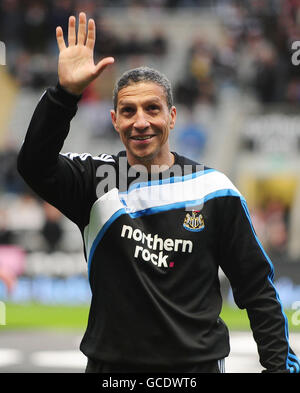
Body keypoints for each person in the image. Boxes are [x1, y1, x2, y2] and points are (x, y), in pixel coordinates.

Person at [17, 12, 300, 374]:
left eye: (153, 109)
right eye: (128, 111)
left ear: (172, 116)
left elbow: (258, 290)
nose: (141, 121)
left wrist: (278, 368)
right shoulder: (94, 179)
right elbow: (33, 165)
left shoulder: (215, 190)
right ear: (114, 119)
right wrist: (65, 94)